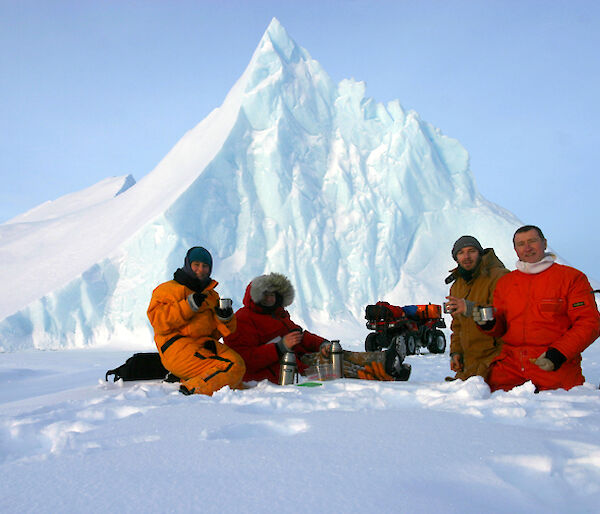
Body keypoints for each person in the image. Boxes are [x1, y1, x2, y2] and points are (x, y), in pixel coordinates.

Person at [224, 272, 411, 384]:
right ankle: (386, 372)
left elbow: (301, 336)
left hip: (298, 358)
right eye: (265, 294)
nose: (270, 298)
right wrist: (281, 346)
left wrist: (323, 344)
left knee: (338, 353)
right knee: (337, 367)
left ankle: (387, 360)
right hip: (283, 368)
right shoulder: (242, 319)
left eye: (273, 294)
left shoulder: (277, 314)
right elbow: (245, 359)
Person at [477, 225, 600, 392]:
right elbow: (501, 327)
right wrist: (489, 323)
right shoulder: (506, 283)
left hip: (555, 368)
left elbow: (589, 323)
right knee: (487, 408)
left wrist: (558, 353)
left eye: (532, 241)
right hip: (509, 370)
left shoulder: (571, 278)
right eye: (521, 244)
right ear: (515, 249)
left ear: (544, 243)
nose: (527, 248)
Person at [147, 246, 245, 395]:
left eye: (205, 266)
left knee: (239, 364)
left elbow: (221, 332)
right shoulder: (167, 290)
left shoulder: (211, 295)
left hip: (203, 345)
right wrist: (189, 305)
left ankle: (185, 378)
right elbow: (159, 323)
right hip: (176, 347)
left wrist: (225, 318)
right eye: (196, 265)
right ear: (188, 265)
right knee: (231, 367)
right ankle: (191, 389)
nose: (201, 269)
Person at [444, 235, 509, 381]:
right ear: (456, 258)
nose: (466, 256)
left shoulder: (499, 277)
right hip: (470, 368)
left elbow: (506, 316)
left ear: (480, 253)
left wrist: (471, 308)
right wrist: (456, 353)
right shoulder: (457, 286)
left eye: (471, 251)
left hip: (497, 365)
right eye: (461, 253)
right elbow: (458, 326)